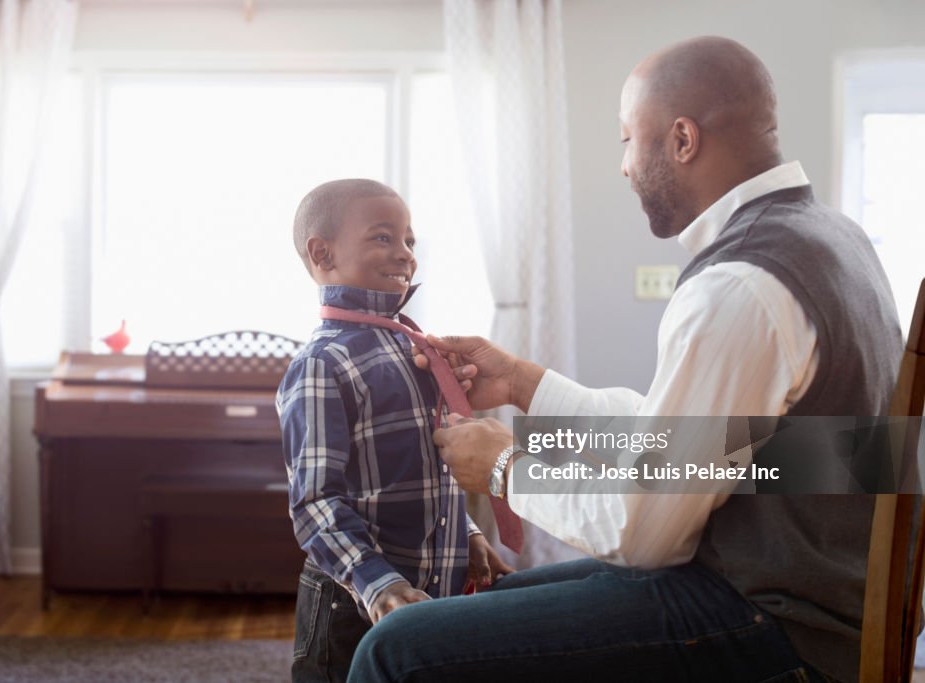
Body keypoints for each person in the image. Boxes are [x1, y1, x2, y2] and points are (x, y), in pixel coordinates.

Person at [347, 36, 903, 683]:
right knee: (488, 607)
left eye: (625, 140)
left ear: (682, 139)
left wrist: (504, 467)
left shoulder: (741, 286)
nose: (624, 166)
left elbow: (642, 530)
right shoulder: (832, 238)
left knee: (397, 648)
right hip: (811, 594)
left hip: (778, 627)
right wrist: (527, 384)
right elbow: (692, 447)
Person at [277, 178, 512, 683]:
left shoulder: (414, 349)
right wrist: (378, 584)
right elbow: (316, 501)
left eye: (409, 241)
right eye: (383, 238)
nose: (405, 254)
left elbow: (429, 467)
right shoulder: (322, 363)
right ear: (323, 254)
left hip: (431, 595)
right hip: (353, 605)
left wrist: (468, 533)